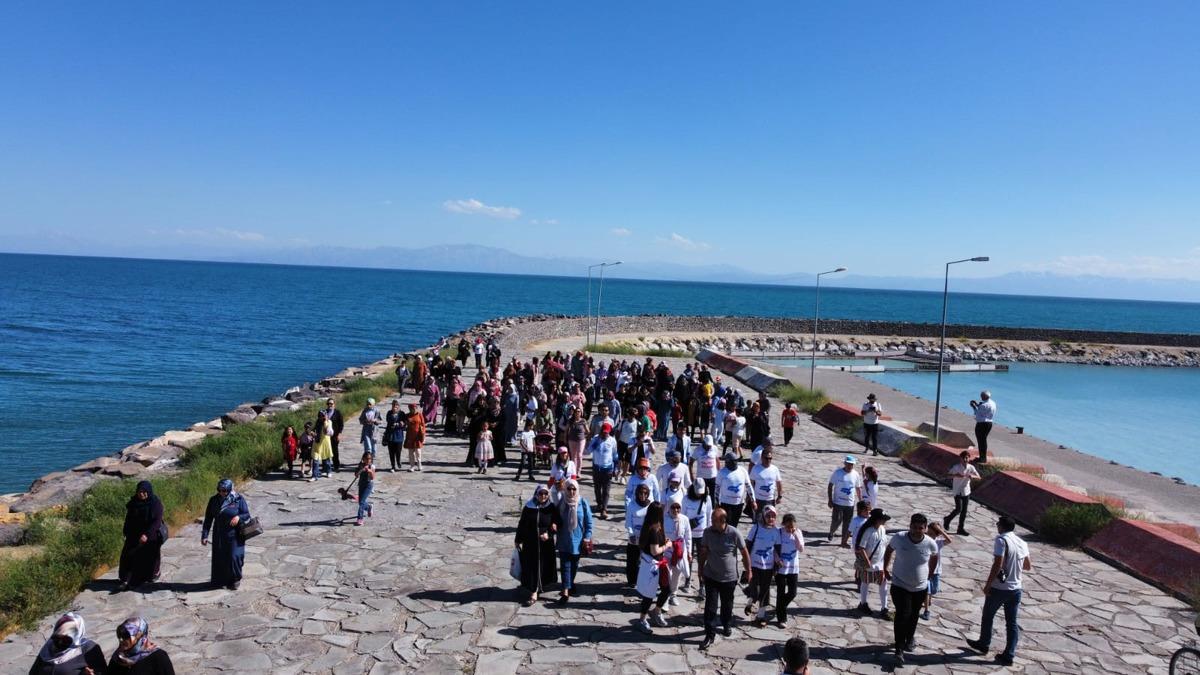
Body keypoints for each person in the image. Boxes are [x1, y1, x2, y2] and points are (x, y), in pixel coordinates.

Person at [966, 515, 1032, 666]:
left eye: (998, 524)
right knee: (1012, 623)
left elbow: (997, 564)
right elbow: (1028, 566)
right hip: (1016, 588)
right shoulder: (1022, 542)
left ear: (1001, 526)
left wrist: (988, 584)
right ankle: (1009, 654)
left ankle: (984, 643)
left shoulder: (1001, 540)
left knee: (988, 615)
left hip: (1000, 587)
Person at [883, 513, 940, 666]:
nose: (917, 530)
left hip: (920, 587)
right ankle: (899, 649)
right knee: (903, 614)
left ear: (925, 528)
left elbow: (935, 556)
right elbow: (889, 550)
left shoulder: (930, 543)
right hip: (900, 584)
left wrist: (930, 574)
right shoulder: (900, 538)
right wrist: (885, 568)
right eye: (914, 527)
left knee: (914, 614)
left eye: (920, 528)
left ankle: (910, 638)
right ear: (910, 526)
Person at [698, 507, 751, 651]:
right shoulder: (708, 532)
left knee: (727, 605)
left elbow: (744, 552)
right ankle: (710, 634)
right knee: (710, 607)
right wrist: (700, 569)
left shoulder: (734, 533)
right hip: (711, 576)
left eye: (714, 520)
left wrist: (748, 570)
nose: (711, 522)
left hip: (729, 578)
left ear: (722, 521)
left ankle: (727, 623)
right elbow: (703, 551)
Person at [201, 478, 250, 590]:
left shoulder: (238, 499)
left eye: (225, 491)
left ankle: (236, 579)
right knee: (221, 559)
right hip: (219, 535)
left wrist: (238, 517)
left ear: (229, 489)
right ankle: (221, 580)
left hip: (235, 535)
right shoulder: (213, 500)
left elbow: (247, 515)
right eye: (220, 490)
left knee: (234, 557)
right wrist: (204, 535)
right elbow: (208, 519)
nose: (222, 493)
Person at [118, 480, 165, 592]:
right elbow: (128, 518)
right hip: (134, 534)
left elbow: (156, 522)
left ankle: (153, 574)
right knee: (127, 555)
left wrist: (147, 535)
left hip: (151, 534)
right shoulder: (134, 502)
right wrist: (125, 531)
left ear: (149, 492)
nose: (142, 494)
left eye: (144, 492)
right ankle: (125, 579)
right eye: (139, 492)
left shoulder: (155, 503)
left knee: (149, 556)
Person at [515, 485, 559, 606]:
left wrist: (549, 534)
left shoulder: (551, 507)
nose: (543, 496)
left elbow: (557, 523)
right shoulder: (529, 507)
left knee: (543, 565)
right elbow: (522, 523)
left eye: (545, 494)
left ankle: (540, 586)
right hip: (530, 543)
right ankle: (534, 591)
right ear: (536, 494)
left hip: (545, 543)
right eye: (541, 494)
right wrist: (518, 539)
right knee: (532, 566)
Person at [29, 612, 106, 675]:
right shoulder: (49, 647)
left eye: (66, 639)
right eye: (57, 637)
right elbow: (34, 672)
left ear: (76, 637)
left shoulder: (89, 649)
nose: (60, 642)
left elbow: (102, 672)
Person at [555, 478, 593, 605]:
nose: (571, 491)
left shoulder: (582, 502)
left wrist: (587, 537)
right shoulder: (562, 502)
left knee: (574, 566)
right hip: (564, 539)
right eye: (569, 489)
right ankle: (565, 591)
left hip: (578, 540)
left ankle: (570, 583)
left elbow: (589, 522)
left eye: (574, 489)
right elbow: (555, 517)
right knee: (565, 565)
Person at [635, 502, 671, 633]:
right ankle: (642, 619)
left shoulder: (652, 526)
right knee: (649, 595)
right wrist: (667, 546)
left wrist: (664, 541)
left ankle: (656, 611)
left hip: (658, 564)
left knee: (667, 589)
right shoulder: (653, 530)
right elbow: (655, 550)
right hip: (653, 566)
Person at [745, 506, 782, 627]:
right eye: (768, 516)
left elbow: (777, 550)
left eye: (773, 516)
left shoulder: (776, 531)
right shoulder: (756, 528)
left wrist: (777, 565)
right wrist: (746, 563)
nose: (771, 518)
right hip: (754, 564)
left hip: (768, 567)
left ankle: (760, 616)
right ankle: (750, 602)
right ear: (764, 516)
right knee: (754, 589)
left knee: (765, 591)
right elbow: (748, 545)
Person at [854, 508, 891, 619]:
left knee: (883, 583)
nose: (884, 521)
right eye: (882, 519)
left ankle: (884, 607)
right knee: (865, 582)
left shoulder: (882, 529)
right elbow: (861, 547)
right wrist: (868, 563)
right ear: (876, 519)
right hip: (870, 563)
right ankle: (863, 603)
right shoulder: (868, 531)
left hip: (880, 563)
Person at [106, 617, 174, 674]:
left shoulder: (158, 657)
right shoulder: (118, 657)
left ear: (139, 635)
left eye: (126, 636)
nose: (121, 639)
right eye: (120, 635)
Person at [680, 480, 712, 596]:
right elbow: (682, 516)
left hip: (702, 536)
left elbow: (709, 516)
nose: (700, 494)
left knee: (702, 560)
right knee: (688, 558)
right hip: (689, 535)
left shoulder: (707, 499)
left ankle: (702, 585)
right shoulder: (686, 499)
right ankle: (687, 581)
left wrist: (709, 533)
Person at [776, 512, 805, 626]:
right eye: (787, 527)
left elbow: (801, 548)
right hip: (781, 568)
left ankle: (780, 607)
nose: (790, 529)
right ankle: (781, 619)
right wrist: (777, 559)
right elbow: (774, 548)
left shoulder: (798, 532)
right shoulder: (779, 532)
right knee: (780, 592)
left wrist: (796, 535)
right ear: (783, 524)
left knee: (793, 593)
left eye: (792, 526)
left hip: (793, 567)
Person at [827, 456, 863, 546]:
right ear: (845, 463)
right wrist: (830, 500)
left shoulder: (856, 474)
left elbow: (858, 488)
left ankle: (843, 541)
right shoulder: (838, 473)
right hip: (838, 502)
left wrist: (861, 501)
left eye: (851, 464)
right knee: (837, 520)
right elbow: (830, 485)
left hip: (850, 504)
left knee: (847, 523)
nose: (850, 466)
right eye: (848, 464)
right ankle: (832, 532)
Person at [663, 499, 693, 606]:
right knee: (667, 573)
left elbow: (688, 536)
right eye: (673, 507)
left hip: (679, 550)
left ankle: (673, 594)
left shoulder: (684, 519)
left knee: (677, 573)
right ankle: (665, 594)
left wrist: (689, 552)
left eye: (678, 507)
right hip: (667, 550)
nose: (675, 510)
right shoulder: (663, 518)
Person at [943, 450, 980, 535]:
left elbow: (979, 477)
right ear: (960, 458)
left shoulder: (971, 467)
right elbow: (947, 475)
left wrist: (972, 476)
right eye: (963, 458)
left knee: (964, 511)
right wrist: (956, 475)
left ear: (969, 458)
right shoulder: (956, 467)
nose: (965, 459)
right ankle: (947, 519)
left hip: (966, 491)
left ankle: (960, 528)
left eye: (967, 457)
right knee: (958, 509)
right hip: (957, 490)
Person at [586, 422, 617, 519]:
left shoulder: (612, 441)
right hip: (596, 467)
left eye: (607, 433)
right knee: (597, 488)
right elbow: (588, 451)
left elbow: (615, 455)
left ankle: (604, 509)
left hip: (607, 469)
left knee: (606, 490)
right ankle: (599, 504)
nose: (605, 434)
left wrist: (616, 468)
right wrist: (594, 443)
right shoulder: (595, 439)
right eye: (603, 433)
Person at [922, 523, 952, 620]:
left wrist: (941, 530)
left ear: (937, 534)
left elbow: (949, 540)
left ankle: (928, 599)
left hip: (936, 571)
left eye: (932, 533)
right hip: (926, 570)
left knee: (934, 590)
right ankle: (926, 610)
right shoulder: (925, 540)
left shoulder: (938, 542)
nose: (929, 535)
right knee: (927, 590)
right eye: (928, 533)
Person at [624, 483, 652, 586]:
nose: (643, 495)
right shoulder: (632, 505)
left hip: (646, 537)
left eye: (645, 493)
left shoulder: (651, 505)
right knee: (632, 561)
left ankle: (644, 580)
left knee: (645, 561)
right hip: (634, 537)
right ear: (637, 493)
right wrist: (631, 534)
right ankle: (632, 581)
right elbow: (628, 522)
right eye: (641, 493)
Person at [716, 452, 753, 527]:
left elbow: (748, 486)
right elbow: (717, 489)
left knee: (735, 523)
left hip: (739, 503)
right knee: (727, 523)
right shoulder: (721, 472)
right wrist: (716, 502)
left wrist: (753, 500)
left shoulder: (743, 471)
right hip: (726, 503)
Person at [690, 434, 721, 507]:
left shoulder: (714, 448)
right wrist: (692, 476)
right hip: (701, 477)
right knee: (701, 495)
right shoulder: (697, 450)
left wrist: (719, 473)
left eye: (710, 446)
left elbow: (717, 461)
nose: (709, 447)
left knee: (713, 495)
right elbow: (691, 463)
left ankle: (712, 509)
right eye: (707, 446)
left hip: (713, 476)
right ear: (703, 443)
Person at [750, 447, 783, 515]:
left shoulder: (775, 469)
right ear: (762, 458)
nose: (768, 460)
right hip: (758, 499)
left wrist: (779, 496)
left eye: (770, 458)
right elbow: (751, 484)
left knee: (769, 520)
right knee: (758, 520)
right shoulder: (756, 469)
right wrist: (751, 498)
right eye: (766, 458)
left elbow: (779, 483)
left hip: (770, 500)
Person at [970, 390, 996, 463]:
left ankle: (982, 458)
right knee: (983, 440)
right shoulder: (993, 403)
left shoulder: (983, 405)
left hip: (982, 424)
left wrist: (974, 407)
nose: (980, 397)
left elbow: (977, 416)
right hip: (989, 423)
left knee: (981, 441)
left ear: (984, 396)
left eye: (981, 396)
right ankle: (983, 458)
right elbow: (985, 410)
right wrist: (978, 405)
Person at [320, 398, 344, 472]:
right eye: (328, 404)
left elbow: (341, 424)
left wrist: (339, 434)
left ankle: (336, 466)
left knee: (334, 451)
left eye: (331, 404)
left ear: (334, 404)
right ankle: (326, 467)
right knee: (325, 451)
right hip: (325, 436)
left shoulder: (337, 412)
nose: (330, 405)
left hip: (334, 435)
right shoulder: (324, 412)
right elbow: (319, 422)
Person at [384, 400, 406, 473]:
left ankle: (398, 461)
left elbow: (405, 423)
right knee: (391, 452)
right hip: (390, 435)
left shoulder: (402, 413)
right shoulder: (389, 413)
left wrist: (402, 424)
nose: (395, 407)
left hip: (399, 435)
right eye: (393, 405)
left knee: (398, 451)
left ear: (399, 406)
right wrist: (394, 415)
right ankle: (393, 466)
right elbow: (388, 420)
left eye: (396, 405)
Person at [311, 411, 334, 481]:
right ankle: (314, 476)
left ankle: (329, 471)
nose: (322, 417)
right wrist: (312, 433)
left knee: (326, 459)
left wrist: (325, 423)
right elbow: (313, 430)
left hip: (325, 443)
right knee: (315, 460)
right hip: (317, 443)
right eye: (320, 416)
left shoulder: (329, 422)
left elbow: (330, 432)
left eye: (323, 415)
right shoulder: (317, 422)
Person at [354, 451, 375, 526]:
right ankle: (369, 507)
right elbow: (356, 475)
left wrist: (369, 471)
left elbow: (373, 477)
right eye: (366, 459)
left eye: (369, 459)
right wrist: (361, 470)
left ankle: (360, 518)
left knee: (362, 502)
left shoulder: (372, 466)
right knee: (360, 502)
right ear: (363, 459)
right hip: (361, 485)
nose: (368, 460)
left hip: (368, 485)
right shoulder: (360, 465)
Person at [404, 402, 426, 471]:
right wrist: (406, 423)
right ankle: (412, 466)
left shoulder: (419, 415)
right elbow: (404, 424)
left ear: (416, 408)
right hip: (410, 436)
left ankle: (419, 465)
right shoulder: (407, 416)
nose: (413, 409)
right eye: (411, 408)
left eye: (414, 408)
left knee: (418, 452)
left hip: (418, 436)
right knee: (411, 452)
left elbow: (423, 425)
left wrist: (423, 435)